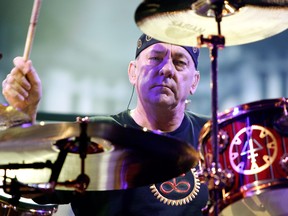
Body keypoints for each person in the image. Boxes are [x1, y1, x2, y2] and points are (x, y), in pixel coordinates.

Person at [2, 34, 210, 216]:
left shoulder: (212, 135)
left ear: (194, 82)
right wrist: (23, 114)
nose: (166, 69)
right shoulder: (95, 135)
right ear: (133, 72)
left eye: (180, 62)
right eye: (155, 58)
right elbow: (24, 184)